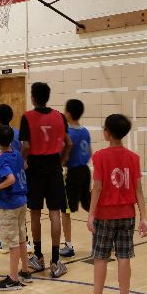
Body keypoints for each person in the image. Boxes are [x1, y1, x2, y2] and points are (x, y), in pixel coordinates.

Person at [74, 114, 147, 294]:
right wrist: (143, 217)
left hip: (104, 215)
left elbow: (97, 188)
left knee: (101, 257)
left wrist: (91, 214)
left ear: (107, 133)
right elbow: (138, 190)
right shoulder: (133, 158)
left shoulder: (100, 156)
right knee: (124, 257)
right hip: (127, 214)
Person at [20, 82, 72, 278]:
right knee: (55, 212)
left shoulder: (27, 117)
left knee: (35, 212)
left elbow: (26, 146)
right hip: (53, 166)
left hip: (34, 167)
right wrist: (61, 161)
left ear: (33, 97)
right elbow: (69, 143)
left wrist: (21, 162)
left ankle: (39, 257)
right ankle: (56, 261)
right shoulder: (59, 116)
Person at [0, 104, 28, 253]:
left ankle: (3, 240)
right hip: (18, 172)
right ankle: (24, 240)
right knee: (19, 211)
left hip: (3, 173)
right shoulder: (17, 132)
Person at [0, 125, 32, 291]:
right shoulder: (16, 153)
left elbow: (11, 179)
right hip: (22, 201)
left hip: (10, 204)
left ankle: (14, 279)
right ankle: (25, 271)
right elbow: (25, 167)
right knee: (22, 238)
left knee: (13, 243)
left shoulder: (3, 160)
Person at [60, 99, 92, 257]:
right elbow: (90, 152)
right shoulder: (85, 131)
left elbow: (65, 154)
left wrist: (61, 162)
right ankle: (104, 237)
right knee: (89, 206)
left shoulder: (68, 133)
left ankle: (68, 246)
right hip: (85, 171)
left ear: (68, 113)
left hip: (73, 172)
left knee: (65, 210)